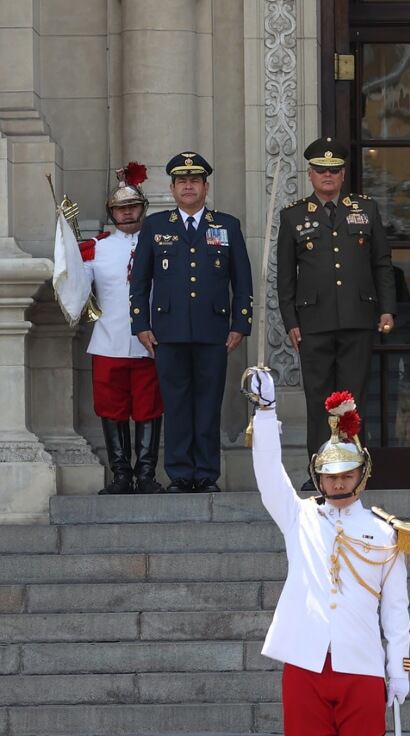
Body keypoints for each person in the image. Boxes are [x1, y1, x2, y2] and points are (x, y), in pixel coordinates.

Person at [243, 368, 410, 736]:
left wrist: (399, 667)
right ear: (318, 478)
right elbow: (268, 476)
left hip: (360, 663)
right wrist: (265, 413)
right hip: (306, 661)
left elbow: (395, 610)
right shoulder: (299, 516)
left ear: (362, 475)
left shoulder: (387, 533)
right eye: (330, 476)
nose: (338, 484)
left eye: (346, 475)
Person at [277, 137, 397, 490]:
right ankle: (320, 473)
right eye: (320, 171)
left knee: (351, 399)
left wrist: (387, 308)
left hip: (358, 319)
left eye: (334, 170)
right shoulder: (293, 214)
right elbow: (284, 277)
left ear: (344, 175)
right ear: (310, 175)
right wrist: (290, 322)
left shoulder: (366, 209)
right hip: (312, 322)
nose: (327, 176)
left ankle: (352, 469)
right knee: (318, 400)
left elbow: (382, 263)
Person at [129, 152, 252, 493]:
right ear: (171, 188)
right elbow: (139, 281)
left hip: (214, 331)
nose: (188, 186)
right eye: (181, 181)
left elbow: (241, 280)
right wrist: (140, 323)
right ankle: (181, 474)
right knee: (177, 404)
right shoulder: (155, 226)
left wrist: (240, 324)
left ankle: (207, 474)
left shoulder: (226, 225)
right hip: (167, 332)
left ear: (205, 186)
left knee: (209, 404)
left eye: (194, 181)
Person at [77, 162, 165, 494]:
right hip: (108, 341)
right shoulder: (96, 248)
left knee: (149, 408)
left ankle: (145, 474)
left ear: (142, 208)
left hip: (149, 342)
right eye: (120, 208)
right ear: (111, 213)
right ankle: (122, 475)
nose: (127, 214)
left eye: (132, 207)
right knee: (112, 410)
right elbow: (78, 288)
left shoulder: (159, 243)